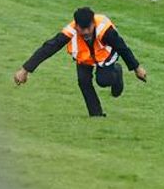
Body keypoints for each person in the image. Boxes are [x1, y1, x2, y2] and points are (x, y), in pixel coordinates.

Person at [13, 7, 148, 117]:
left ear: (93, 24)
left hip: (105, 55)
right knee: (83, 81)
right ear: (76, 26)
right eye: (81, 30)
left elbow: (122, 48)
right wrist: (25, 70)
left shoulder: (105, 30)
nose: (86, 33)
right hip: (84, 57)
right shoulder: (70, 31)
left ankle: (117, 73)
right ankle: (96, 114)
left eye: (88, 29)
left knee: (103, 80)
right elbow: (49, 48)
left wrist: (136, 68)